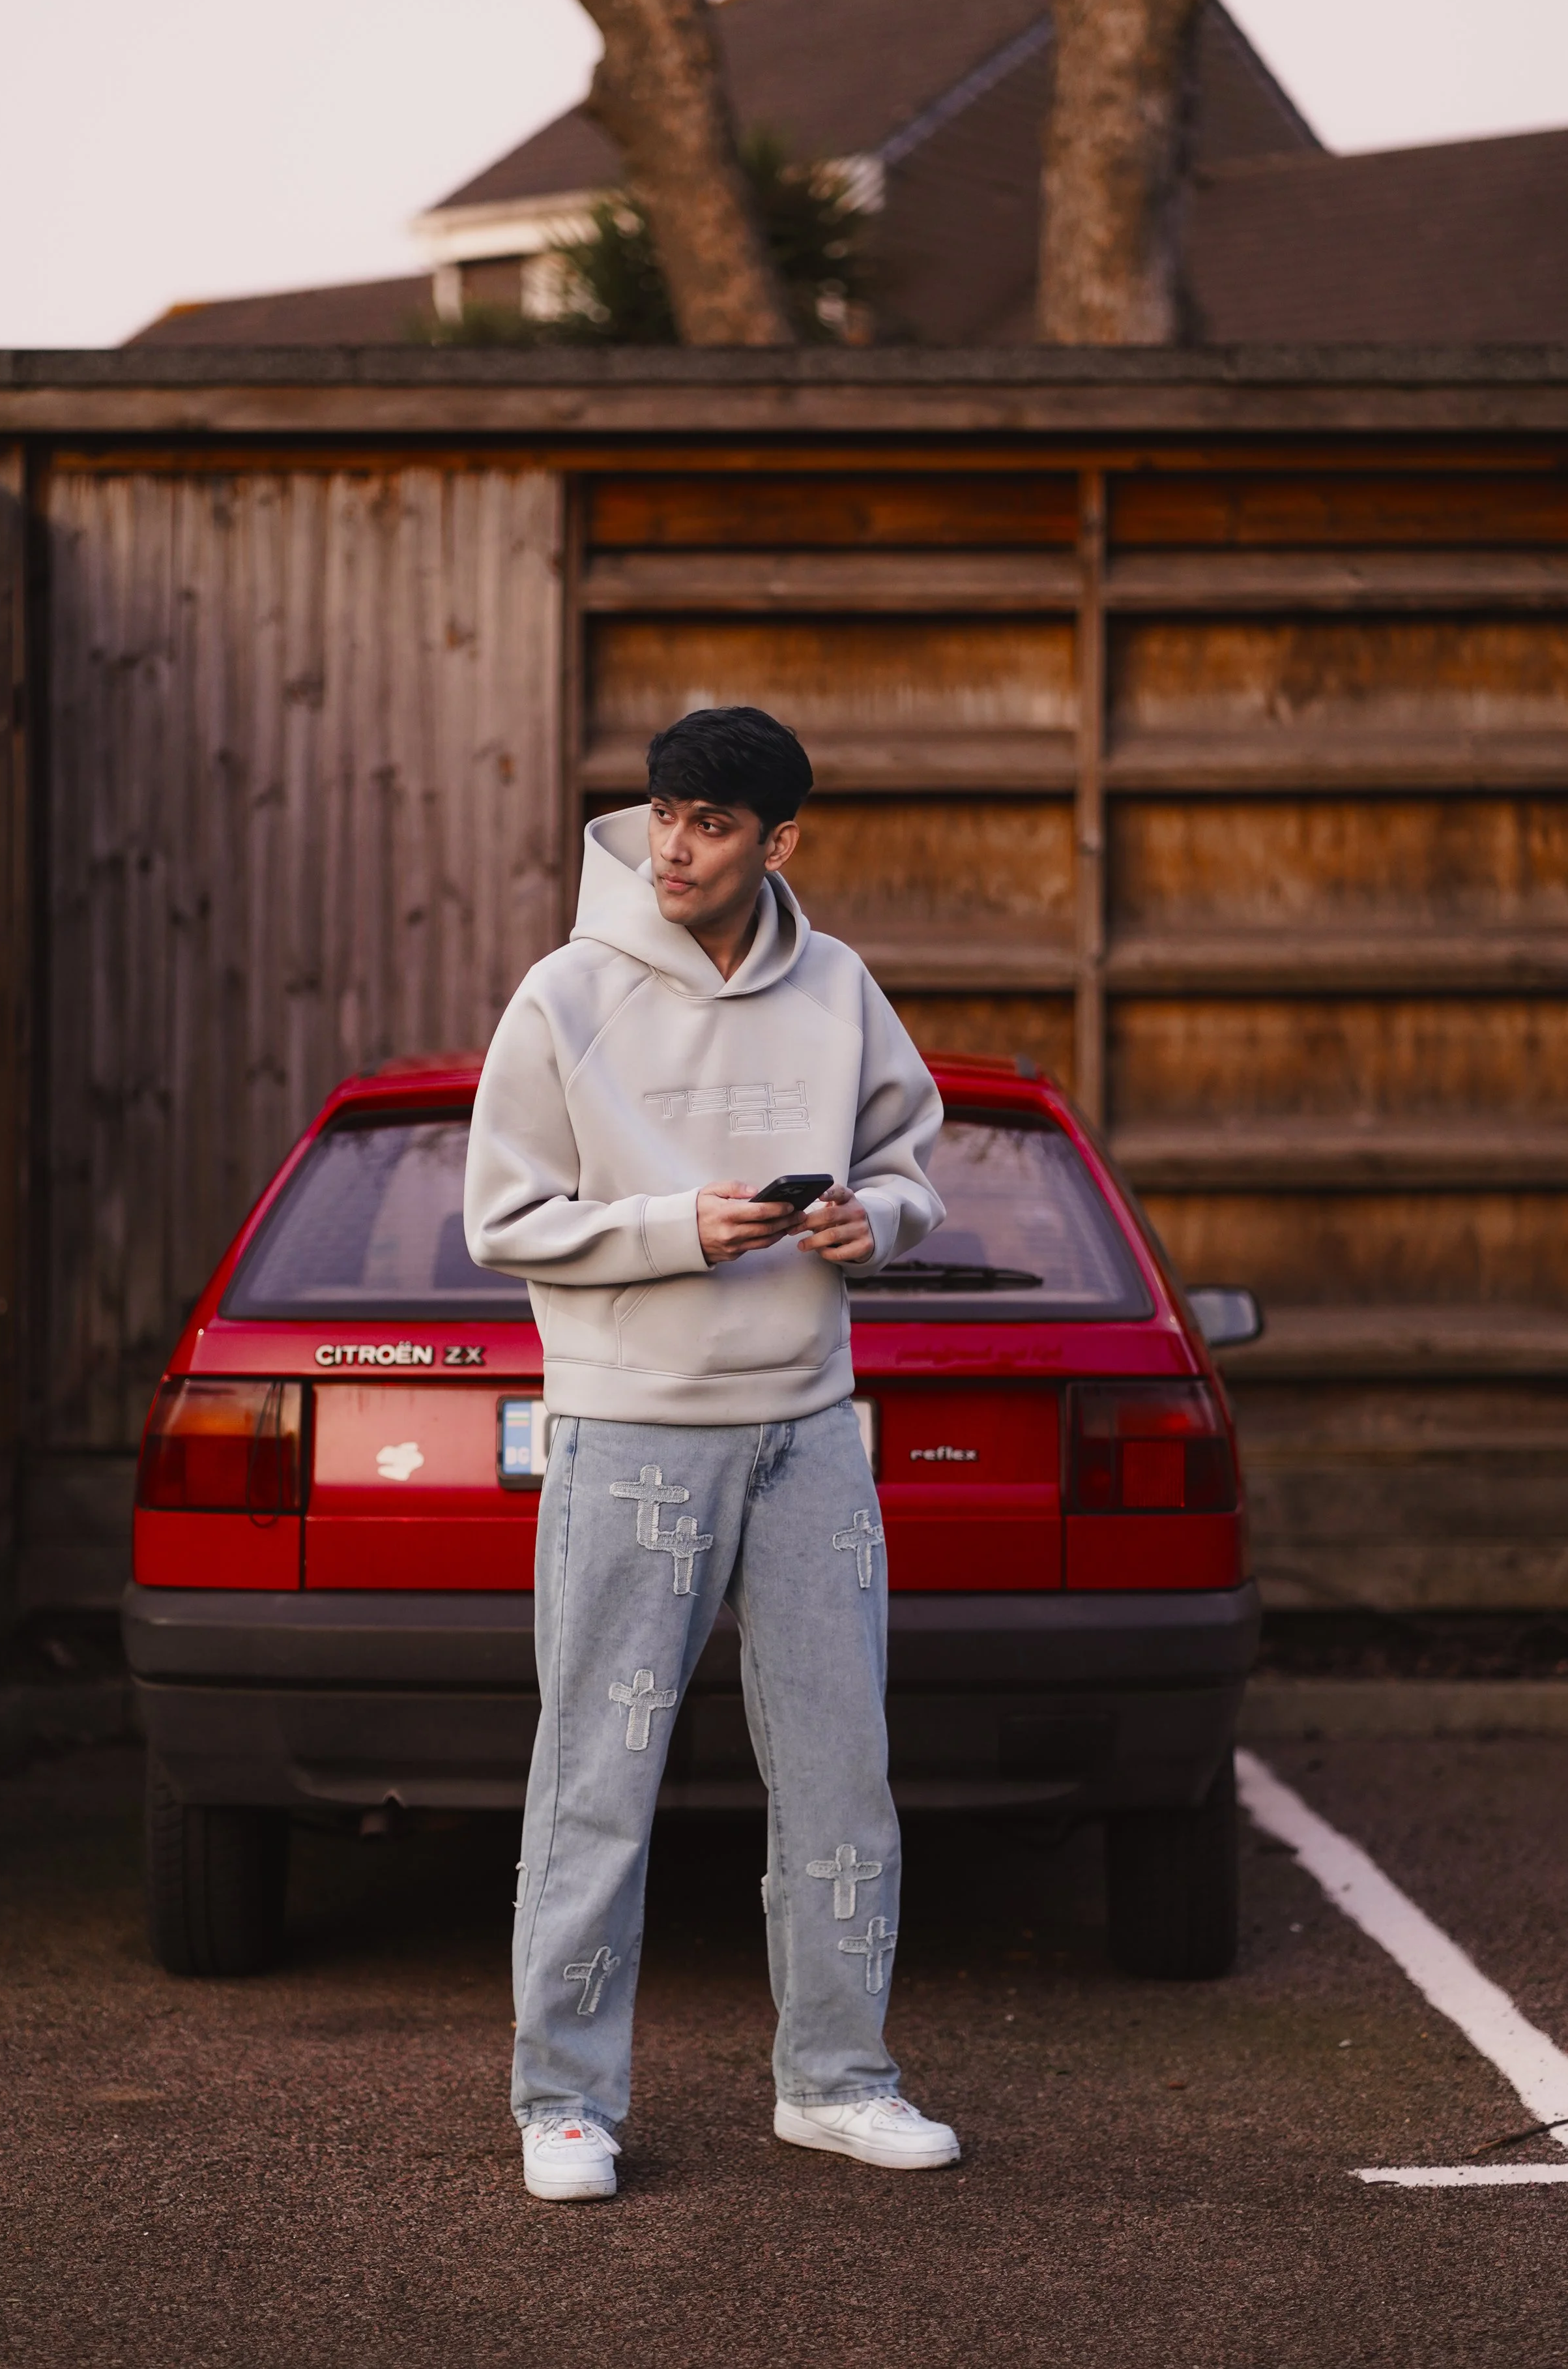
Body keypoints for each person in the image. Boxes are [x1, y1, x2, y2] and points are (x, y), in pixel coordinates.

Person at [465, 705, 958, 2201]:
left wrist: (881, 1222)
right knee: (596, 1775)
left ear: (778, 842)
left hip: (808, 1430)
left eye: (711, 824)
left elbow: (910, 1161)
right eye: (663, 814)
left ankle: (835, 2081)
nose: (673, 847)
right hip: (628, 1432)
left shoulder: (841, 989)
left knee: (840, 1771)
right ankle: (562, 2101)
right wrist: (680, 1230)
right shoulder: (565, 992)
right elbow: (502, 1219)